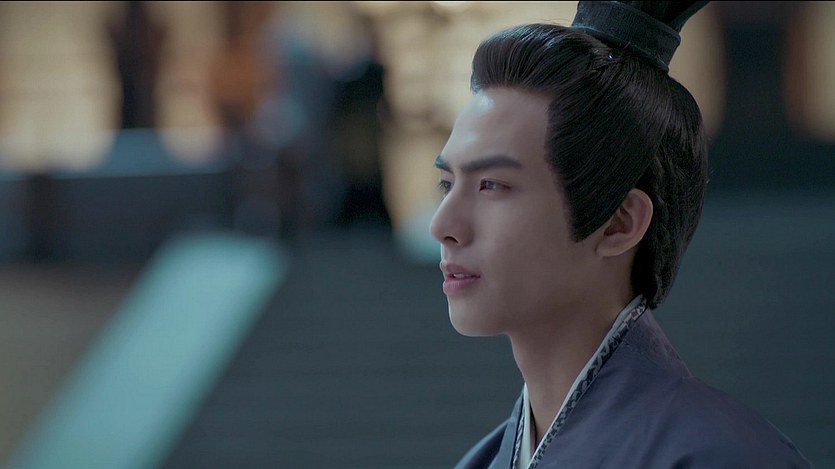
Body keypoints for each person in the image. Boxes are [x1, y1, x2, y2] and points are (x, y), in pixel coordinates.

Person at [429, 1, 813, 467]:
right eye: (447, 184)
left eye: (492, 185)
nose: (442, 226)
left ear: (619, 222)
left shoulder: (720, 455)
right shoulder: (483, 461)